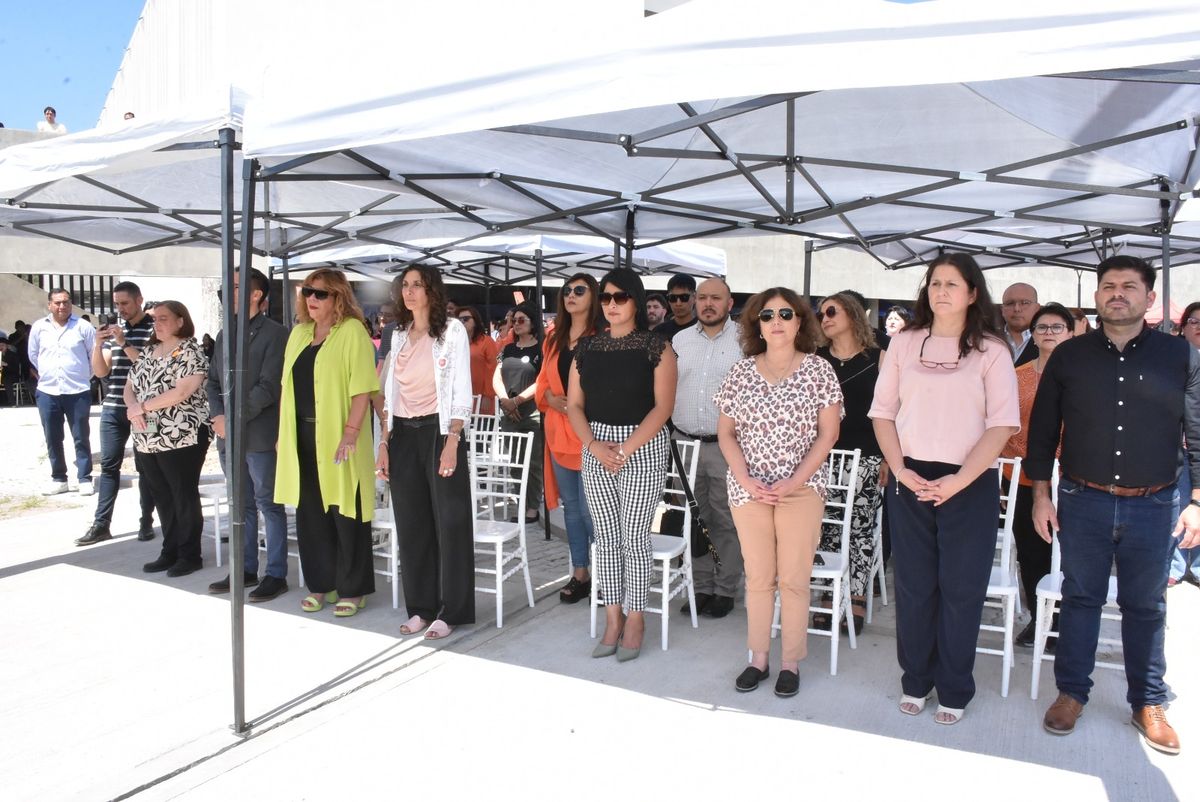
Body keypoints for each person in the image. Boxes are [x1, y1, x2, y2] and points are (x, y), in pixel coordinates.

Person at [1029, 255, 1200, 754]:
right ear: (1097, 296)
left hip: (1155, 504)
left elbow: (1198, 431)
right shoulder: (1069, 356)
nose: (1117, 294)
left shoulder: (1181, 355)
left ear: (1150, 298)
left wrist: (1196, 501)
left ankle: (1148, 701)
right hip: (1082, 500)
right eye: (1108, 286)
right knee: (1080, 597)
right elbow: (1043, 430)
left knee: (1146, 605)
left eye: (1129, 286)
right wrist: (1040, 495)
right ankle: (1071, 693)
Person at [869, 253, 1019, 726]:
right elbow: (882, 413)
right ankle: (915, 679)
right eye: (935, 283)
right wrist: (899, 468)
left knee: (961, 588)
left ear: (972, 293)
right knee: (914, 586)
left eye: (952, 284)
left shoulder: (992, 350)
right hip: (909, 476)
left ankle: (954, 687)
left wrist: (959, 480)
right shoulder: (903, 342)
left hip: (968, 481)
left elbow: (1002, 425)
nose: (941, 291)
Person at [715, 288, 841, 697]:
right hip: (748, 488)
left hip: (801, 489)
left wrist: (794, 481)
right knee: (758, 578)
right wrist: (746, 478)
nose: (776, 321)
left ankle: (790, 662)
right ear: (757, 325)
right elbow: (726, 433)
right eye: (767, 315)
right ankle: (758, 659)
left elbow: (828, 435)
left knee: (793, 578)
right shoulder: (740, 372)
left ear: (800, 321)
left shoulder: (819, 370)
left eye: (786, 314)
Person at [568, 267, 676, 662]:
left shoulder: (657, 347)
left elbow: (663, 408)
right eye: (606, 297)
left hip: (642, 447)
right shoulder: (586, 348)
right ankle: (613, 618)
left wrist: (626, 448)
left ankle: (636, 617)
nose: (611, 304)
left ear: (636, 300)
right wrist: (594, 445)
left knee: (635, 538)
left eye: (620, 297)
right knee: (606, 539)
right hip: (596, 446)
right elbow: (574, 405)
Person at [376, 264, 474, 639]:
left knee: (449, 524)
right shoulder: (398, 333)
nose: (410, 291)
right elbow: (390, 395)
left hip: (439, 431)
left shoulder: (452, 331)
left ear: (432, 290)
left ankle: (452, 610)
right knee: (412, 525)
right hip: (402, 434)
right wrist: (383, 443)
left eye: (418, 285)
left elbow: (461, 388)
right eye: (405, 285)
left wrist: (453, 440)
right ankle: (420, 607)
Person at [276, 269, 379, 617]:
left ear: (339, 297)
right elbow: (286, 388)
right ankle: (321, 583)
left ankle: (353, 588)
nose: (311, 299)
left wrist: (351, 432)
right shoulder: (298, 334)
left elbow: (363, 388)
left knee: (346, 513)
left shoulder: (352, 331)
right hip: (301, 436)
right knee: (310, 515)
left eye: (320, 293)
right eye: (308, 292)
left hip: (340, 436)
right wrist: (281, 435)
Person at [205, 269, 291, 602]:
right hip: (228, 433)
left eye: (235, 287)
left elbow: (269, 387)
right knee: (241, 505)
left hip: (258, 434)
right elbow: (213, 381)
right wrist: (219, 416)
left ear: (256, 294)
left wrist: (233, 420)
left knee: (268, 503)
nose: (227, 293)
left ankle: (276, 573)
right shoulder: (225, 334)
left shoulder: (276, 334)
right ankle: (244, 568)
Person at [999, 303, 1074, 646]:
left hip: (1074, 478)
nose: (1049, 333)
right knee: (1031, 551)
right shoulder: (1017, 377)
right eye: (1042, 327)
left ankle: (1069, 618)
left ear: (1071, 332)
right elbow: (1003, 424)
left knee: (1070, 552)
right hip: (1024, 476)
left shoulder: (1084, 375)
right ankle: (1040, 619)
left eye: (1057, 327)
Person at [672, 277, 745, 619]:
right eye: (702, 297)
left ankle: (725, 589)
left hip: (726, 447)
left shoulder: (746, 340)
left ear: (729, 304)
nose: (707, 303)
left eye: (716, 298)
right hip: (684, 443)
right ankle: (701, 587)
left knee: (726, 519)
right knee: (693, 517)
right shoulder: (680, 340)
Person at [815, 291, 884, 635]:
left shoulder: (878, 357)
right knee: (825, 526)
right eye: (821, 314)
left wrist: (890, 457)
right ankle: (830, 593)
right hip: (822, 455)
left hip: (868, 455)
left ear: (854, 314)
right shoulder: (814, 359)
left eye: (832, 311)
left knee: (860, 528)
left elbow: (893, 412)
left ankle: (856, 595)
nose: (824, 318)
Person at [126, 301, 211, 577]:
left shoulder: (190, 350)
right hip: (147, 434)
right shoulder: (148, 351)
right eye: (155, 319)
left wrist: (142, 407)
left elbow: (183, 391)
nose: (157, 323)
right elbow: (130, 386)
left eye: (164, 318)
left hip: (182, 433)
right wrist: (133, 408)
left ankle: (189, 554)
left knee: (182, 493)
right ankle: (170, 550)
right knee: (160, 493)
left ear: (180, 321)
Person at [76, 281, 160, 546]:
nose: (120, 309)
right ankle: (101, 524)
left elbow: (149, 367)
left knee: (145, 466)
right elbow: (101, 372)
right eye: (117, 304)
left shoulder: (155, 329)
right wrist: (97, 345)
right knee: (109, 466)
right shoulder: (115, 330)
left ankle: (146, 521)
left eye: (125, 303)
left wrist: (123, 343)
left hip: (144, 408)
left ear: (139, 300)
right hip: (113, 407)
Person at [537, 274, 602, 603]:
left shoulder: (603, 337)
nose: (571, 295)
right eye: (566, 290)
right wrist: (550, 398)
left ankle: (607, 574)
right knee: (572, 509)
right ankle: (580, 573)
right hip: (558, 435)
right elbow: (542, 383)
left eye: (579, 290)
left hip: (591, 435)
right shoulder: (553, 338)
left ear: (594, 296)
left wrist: (578, 405)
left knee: (594, 512)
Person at [29, 288, 96, 496]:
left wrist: (82, 376)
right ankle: (59, 478)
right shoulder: (39, 327)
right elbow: (33, 355)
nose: (62, 306)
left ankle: (84, 478)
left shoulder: (83, 327)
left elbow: (93, 356)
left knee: (81, 436)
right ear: (49, 305)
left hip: (77, 390)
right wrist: (48, 373)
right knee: (52, 437)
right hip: (48, 391)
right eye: (57, 302)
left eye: (66, 302)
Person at [494, 302, 545, 523]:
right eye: (513, 320)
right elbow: (497, 376)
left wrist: (517, 401)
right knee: (515, 462)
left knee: (532, 463)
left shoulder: (541, 349)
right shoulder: (508, 349)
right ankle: (522, 504)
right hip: (509, 413)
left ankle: (532, 507)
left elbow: (542, 381)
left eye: (521, 319)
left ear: (533, 322)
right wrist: (506, 401)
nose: (516, 324)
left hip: (531, 412)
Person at [1170, 301, 1200, 589]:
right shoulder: (1173, 360)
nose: (1199, 327)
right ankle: (1175, 565)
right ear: (1183, 327)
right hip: (1178, 445)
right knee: (1178, 504)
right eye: (1194, 321)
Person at [457, 305, 498, 414]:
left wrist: (488, 394)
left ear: (475, 322)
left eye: (465, 319)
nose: (462, 322)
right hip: (461, 398)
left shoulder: (487, 342)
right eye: (459, 320)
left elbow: (493, 368)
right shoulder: (456, 343)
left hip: (482, 398)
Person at [1002, 282, 1040, 366]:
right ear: (1002, 310)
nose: (1017, 309)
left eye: (1025, 303)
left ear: (1037, 308)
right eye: (1010, 303)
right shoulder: (988, 338)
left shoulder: (1047, 338)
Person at [655, 274, 698, 339]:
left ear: (694, 298)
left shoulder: (704, 330)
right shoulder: (659, 331)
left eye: (684, 297)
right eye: (673, 298)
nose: (678, 303)